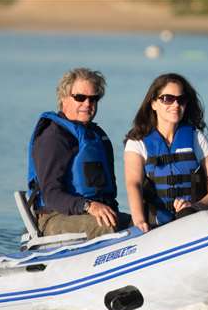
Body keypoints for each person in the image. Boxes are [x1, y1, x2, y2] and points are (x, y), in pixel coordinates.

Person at [27, 68, 131, 239]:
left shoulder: (98, 137)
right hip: (55, 217)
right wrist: (89, 206)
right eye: (80, 98)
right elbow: (51, 195)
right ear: (63, 99)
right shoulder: (54, 137)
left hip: (97, 213)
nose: (87, 104)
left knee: (143, 224)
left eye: (93, 98)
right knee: (106, 226)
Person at [123, 73, 208, 232]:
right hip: (154, 224)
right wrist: (139, 222)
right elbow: (133, 184)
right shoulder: (137, 142)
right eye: (167, 99)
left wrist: (195, 207)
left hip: (191, 220)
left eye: (181, 100)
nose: (176, 105)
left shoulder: (196, 138)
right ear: (153, 103)